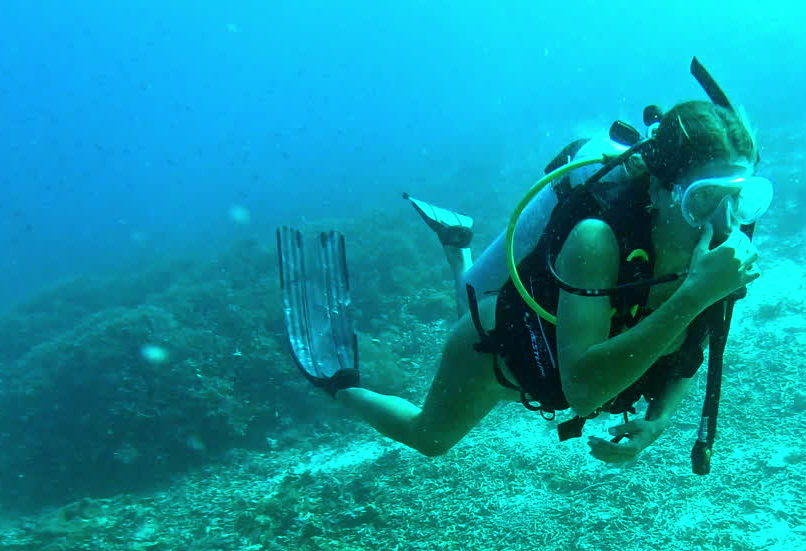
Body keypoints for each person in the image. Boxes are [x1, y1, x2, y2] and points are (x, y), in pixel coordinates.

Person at [278, 98, 771, 465]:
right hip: (498, 350)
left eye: (742, 198)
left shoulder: (716, 256)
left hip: (552, 349)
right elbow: (583, 391)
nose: (725, 221)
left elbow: (688, 354)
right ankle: (339, 385)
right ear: (664, 189)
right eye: (706, 199)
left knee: (470, 295)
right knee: (429, 437)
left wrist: (657, 422)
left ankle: (458, 244)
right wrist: (695, 293)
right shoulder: (598, 242)